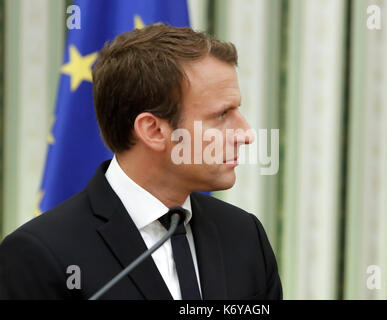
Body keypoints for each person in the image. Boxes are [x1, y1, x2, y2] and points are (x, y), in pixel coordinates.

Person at [0, 24, 282, 300]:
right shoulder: (39, 255)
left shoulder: (245, 236)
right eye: (222, 115)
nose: (246, 134)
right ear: (153, 130)